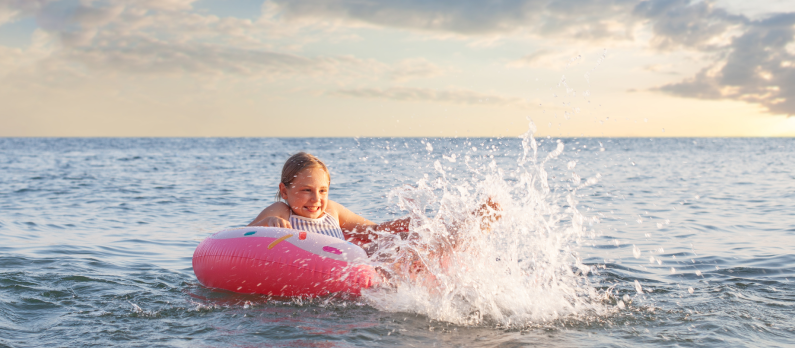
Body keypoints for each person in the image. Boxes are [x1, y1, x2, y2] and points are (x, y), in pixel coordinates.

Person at [248, 152, 408, 246]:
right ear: (284, 191)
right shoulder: (282, 211)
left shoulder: (332, 210)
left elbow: (373, 231)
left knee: (404, 240)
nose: (316, 199)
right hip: (307, 269)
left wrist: (406, 223)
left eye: (323, 190)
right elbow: (242, 235)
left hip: (345, 268)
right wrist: (267, 223)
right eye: (306, 190)